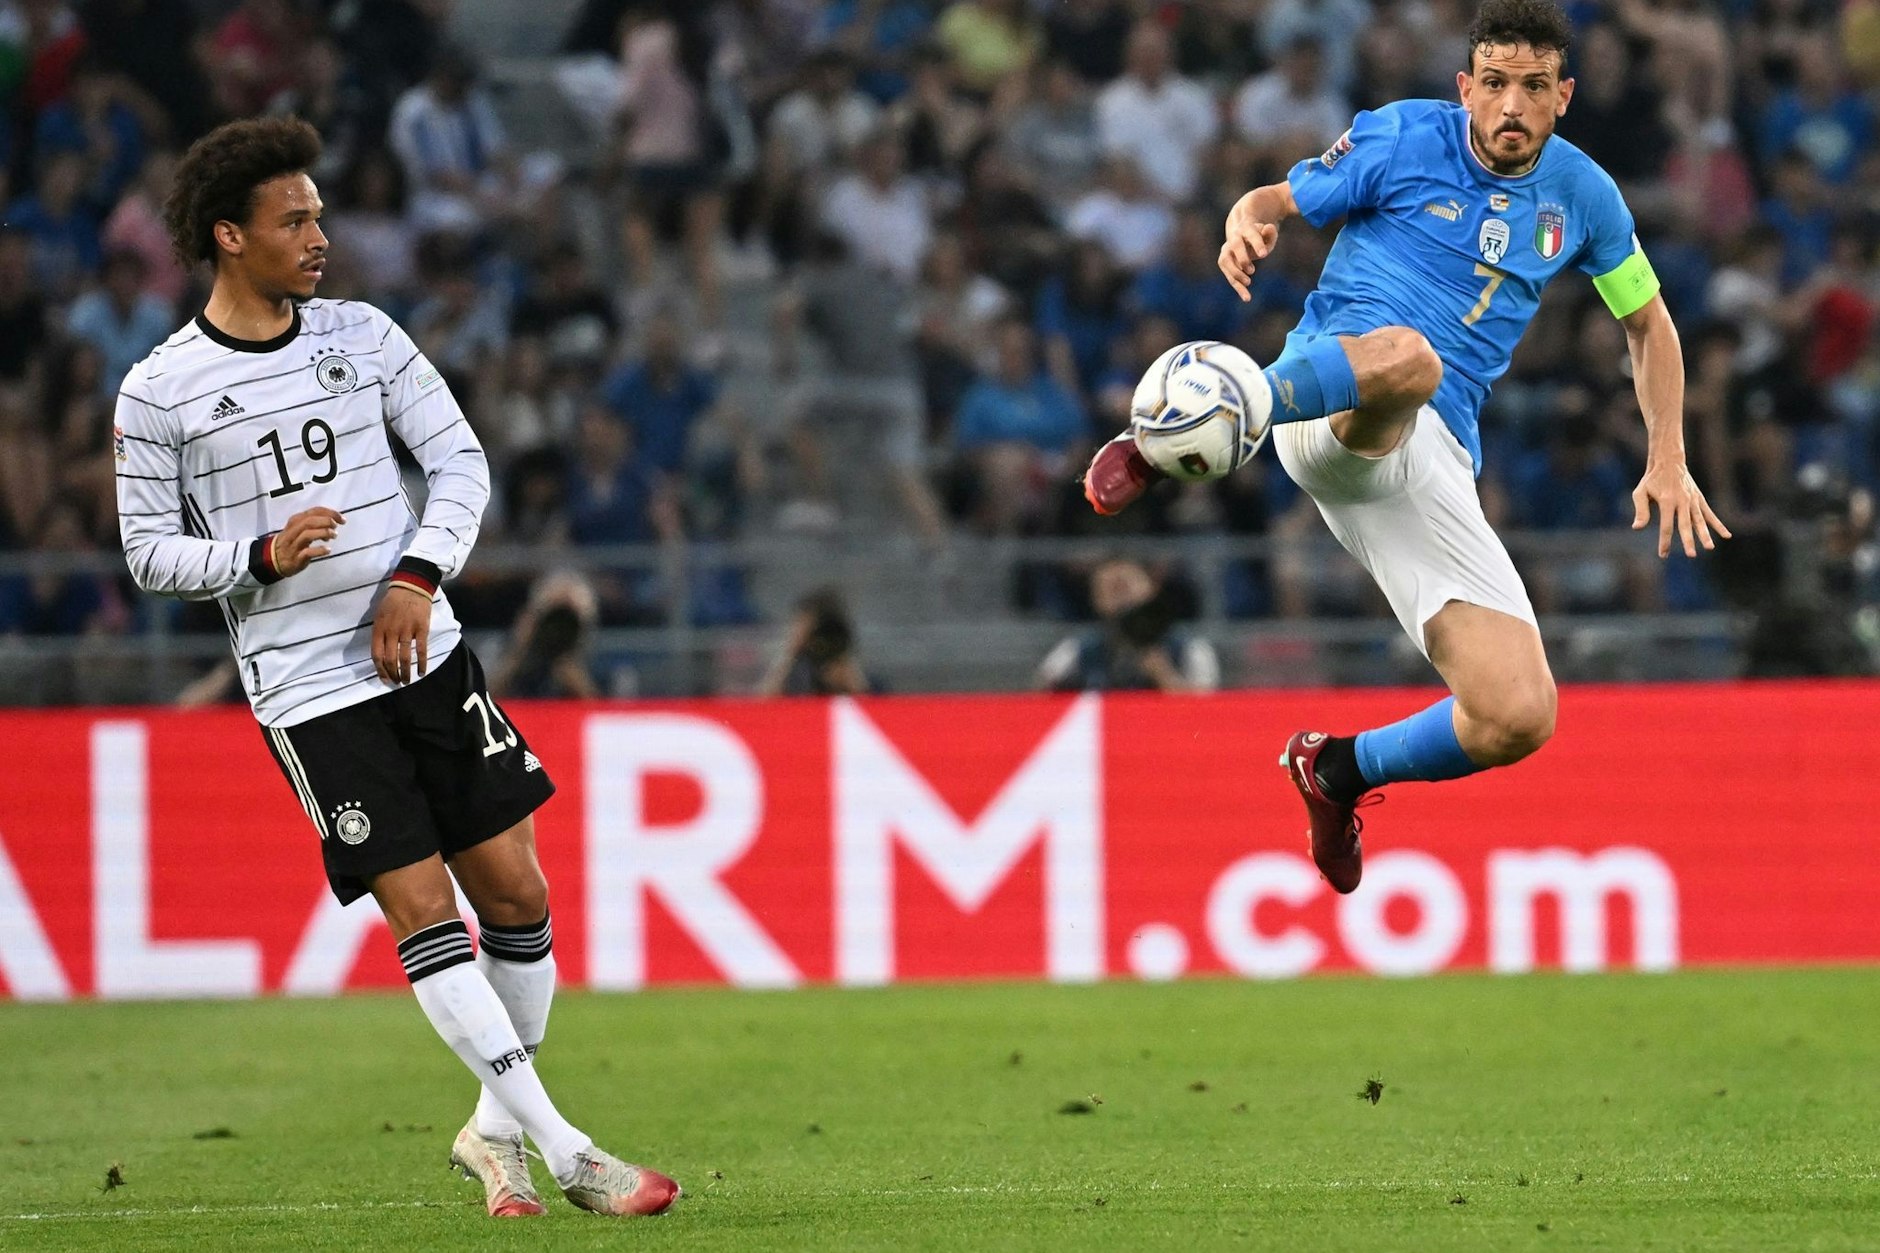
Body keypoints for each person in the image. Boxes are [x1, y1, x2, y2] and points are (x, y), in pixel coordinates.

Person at [112, 117, 678, 1219]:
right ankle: (568, 1151)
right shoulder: (160, 390)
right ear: (230, 236)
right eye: (295, 219)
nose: (320, 234)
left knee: (516, 892)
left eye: (319, 213)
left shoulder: (364, 336)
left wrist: (417, 573)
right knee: (421, 902)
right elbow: (145, 550)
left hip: (426, 652)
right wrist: (255, 556)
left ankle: (491, 1131)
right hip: (308, 688)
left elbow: (459, 459)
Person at [1082, 0, 1730, 895]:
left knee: (1519, 712)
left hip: (1429, 455)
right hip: (1330, 395)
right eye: (1494, 84)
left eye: (1533, 87)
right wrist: (1247, 214)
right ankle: (1181, 432)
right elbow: (1278, 196)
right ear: (1466, 86)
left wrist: (1668, 456)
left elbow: (1649, 324)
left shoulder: (1584, 197)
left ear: (1563, 96)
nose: (1511, 105)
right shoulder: (1402, 137)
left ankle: (1336, 771)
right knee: (1411, 357)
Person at [1035, 557, 1220, 693]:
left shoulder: (1190, 648)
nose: (1121, 599)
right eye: (1111, 589)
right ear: (1096, 598)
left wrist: (1165, 676)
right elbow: (1041, 694)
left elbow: (1204, 711)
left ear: (1152, 588)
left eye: (1125, 587)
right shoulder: (1077, 650)